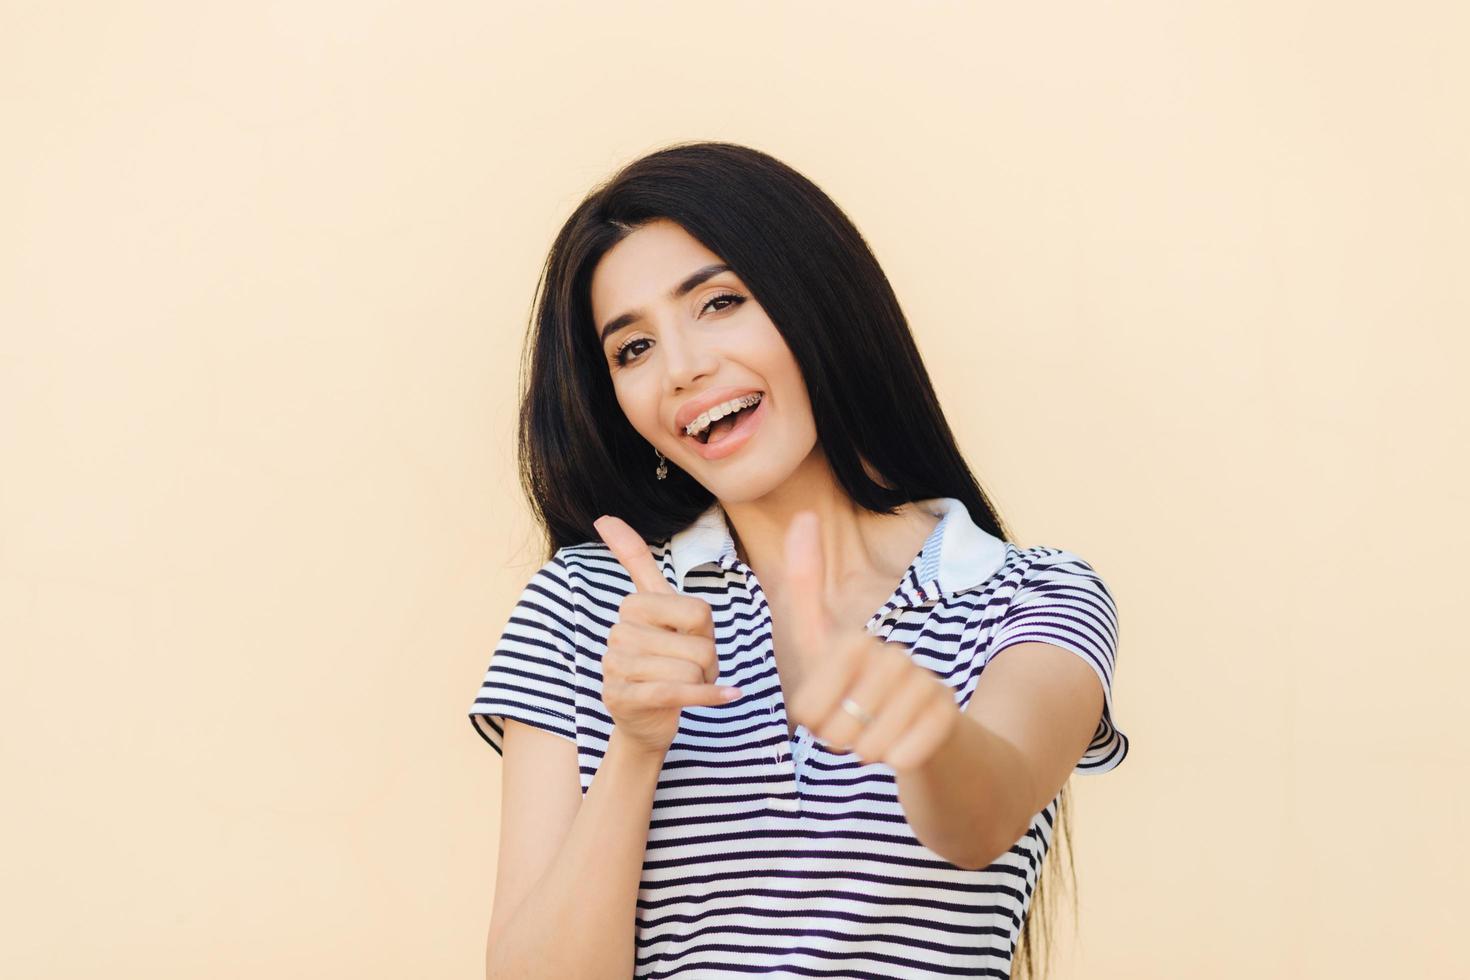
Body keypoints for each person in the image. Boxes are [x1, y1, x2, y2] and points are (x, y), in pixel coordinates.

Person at [468, 141, 1128, 980]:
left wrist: (926, 738)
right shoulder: (583, 606)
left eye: (718, 302)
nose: (683, 368)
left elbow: (985, 818)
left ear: (817, 298)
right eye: (632, 349)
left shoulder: (1031, 596)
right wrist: (635, 748)